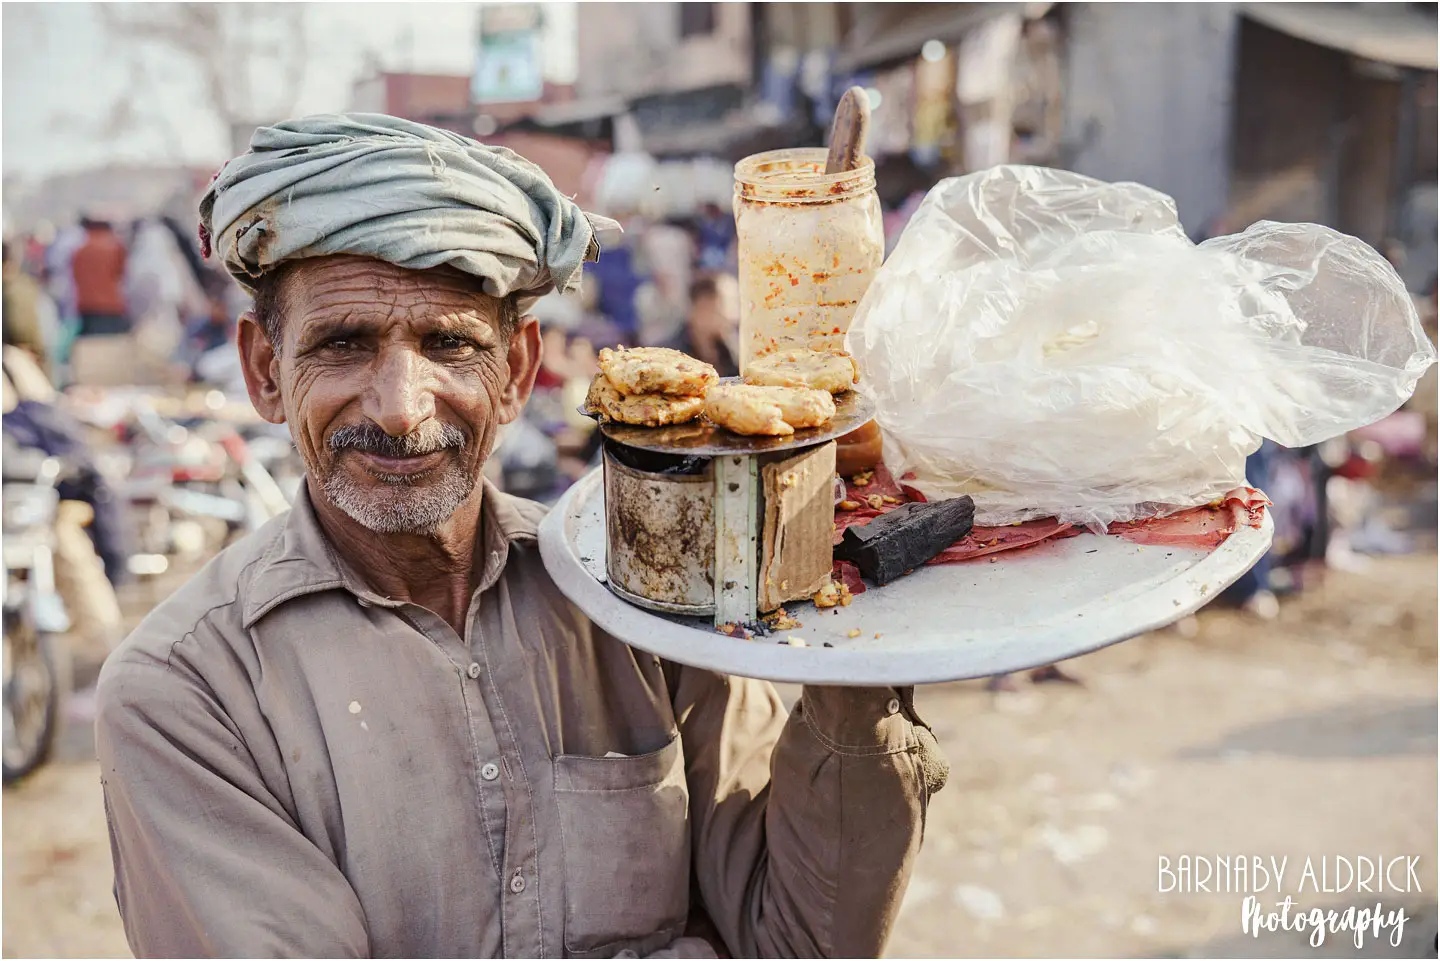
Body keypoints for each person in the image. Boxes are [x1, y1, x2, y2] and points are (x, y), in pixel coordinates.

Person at [95, 114, 948, 959]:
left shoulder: (641, 598)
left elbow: (805, 939)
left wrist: (847, 660)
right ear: (263, 371)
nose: (401, 405)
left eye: (449, 343)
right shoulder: (185, 693)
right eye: (344, 344)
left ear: (517, 372)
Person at [68, 214, 133, 387]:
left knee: (92, 354)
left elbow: (76, 278)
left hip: (88, 308)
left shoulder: (80, 251)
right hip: (112, 307)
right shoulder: (115, 248)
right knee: (113, 355)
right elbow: (121, 275)